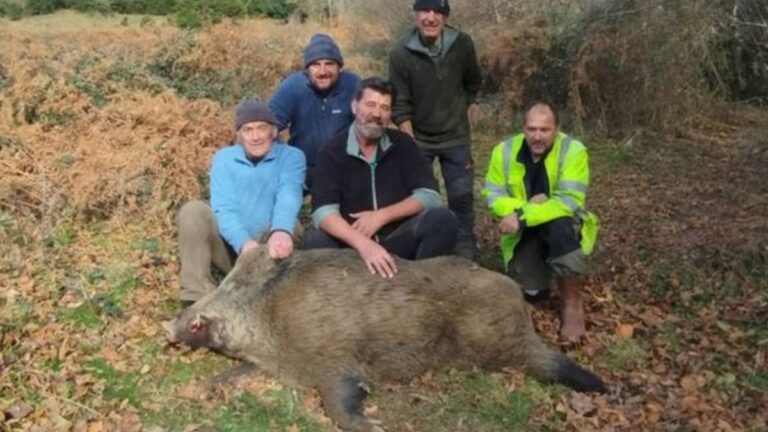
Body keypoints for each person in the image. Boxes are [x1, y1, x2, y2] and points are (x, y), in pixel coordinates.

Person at [302, 77, 458, 278]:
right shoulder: (331, 151)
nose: (377, 114)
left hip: (397, 240)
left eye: (385, 108)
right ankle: (340, 299)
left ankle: (423, 286)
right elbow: (323, 212)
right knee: (314, 239)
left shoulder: (403, 145)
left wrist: (380, 216)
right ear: (354, 106)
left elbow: (429, 195)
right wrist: (363, 244)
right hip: (350, 248)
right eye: (370, 104)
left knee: (442, 219)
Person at [481, 101, 599, 342]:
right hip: (524, 231)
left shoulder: (573, 151)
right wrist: (530, 207)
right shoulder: (502, 151)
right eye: (531, 129)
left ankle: (572, 304)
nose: (537, 136)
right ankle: (540, 275)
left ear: (557, 128)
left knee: (558, 222)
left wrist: (523, 215)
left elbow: (567, 201)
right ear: (522, 128)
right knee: (534, 293)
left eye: (544, 130)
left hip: (562, 226)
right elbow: (493, 197)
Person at [176, 100, 306, 302]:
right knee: (193, 211)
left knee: (293, 226)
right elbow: (224, 208)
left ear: (273, 131)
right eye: (248, 130)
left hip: (269, 247)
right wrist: (243, 243)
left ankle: (277, 292)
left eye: (262, 128)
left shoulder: (292, 156)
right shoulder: (224, 158)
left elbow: (288, 195)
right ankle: (195, 298)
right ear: (239, 135)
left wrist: (280, 230)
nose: (255, 137)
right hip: (233, 247)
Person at [388, 0, 482, 260]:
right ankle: (427, 250)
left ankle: (464, 249)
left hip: (456, 136)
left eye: (438, 12)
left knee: (461, 196)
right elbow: (400, 100)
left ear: (445, 16)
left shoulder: (462, 43)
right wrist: (409, 138)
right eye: (425, 11)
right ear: (415, 14)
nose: (431, 18)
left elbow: (473, 79)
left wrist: (471, 103)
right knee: (422, 198)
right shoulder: (400, 52)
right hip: (419, 138)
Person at [269, 33, 360, 190]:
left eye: (329, 64)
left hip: (343, 166)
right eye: (316, 64)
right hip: (301, 167)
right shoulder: (293, 86)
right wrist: (283, 158)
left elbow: (372, 123)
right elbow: (267, 125)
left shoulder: (353, 85)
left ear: (340, 67)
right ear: (306, 69)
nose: (322, 71)